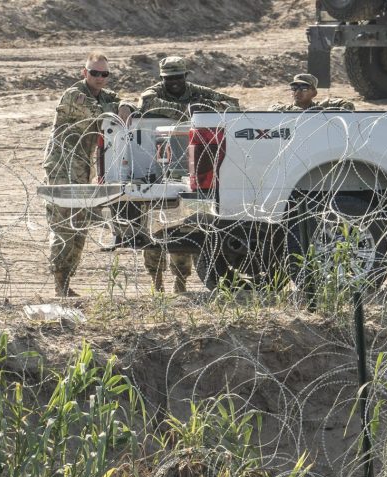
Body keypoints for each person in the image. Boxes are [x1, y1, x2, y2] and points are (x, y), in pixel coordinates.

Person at [136, 57, 240, 294]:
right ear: (162, 79)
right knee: (155, 230)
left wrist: (209, 110)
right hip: (158, 167)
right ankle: (157, 282)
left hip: (190, 166)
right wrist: (192, 111)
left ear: (186, 77)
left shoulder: (195, 91)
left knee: (186, 229)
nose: (173, 83)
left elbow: (232, 104)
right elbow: (146, 103)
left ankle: (180, 283)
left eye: (178, 78)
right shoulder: (156, 92)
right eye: (168, 79)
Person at [43, 51, 133, 298]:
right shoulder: (75, 95)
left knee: (80, 225)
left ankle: (67, 280)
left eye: (104, 74)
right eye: (94, 73)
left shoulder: (105, 95)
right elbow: (101, 116)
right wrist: (120, 109)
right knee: (64, 225)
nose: (99, 78)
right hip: (62, 167)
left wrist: (125, 104)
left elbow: (124, 103)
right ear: (84, 73)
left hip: (83, 168)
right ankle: (59, 283)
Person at [271, 73, 355, 112]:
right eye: (294, 87)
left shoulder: (320, 107)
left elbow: (349, 105)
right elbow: (272, 109)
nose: (298, 91)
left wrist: (326, 112)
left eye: (303, 88)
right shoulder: (285, 109)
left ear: (314, 93)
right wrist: (299, 111)